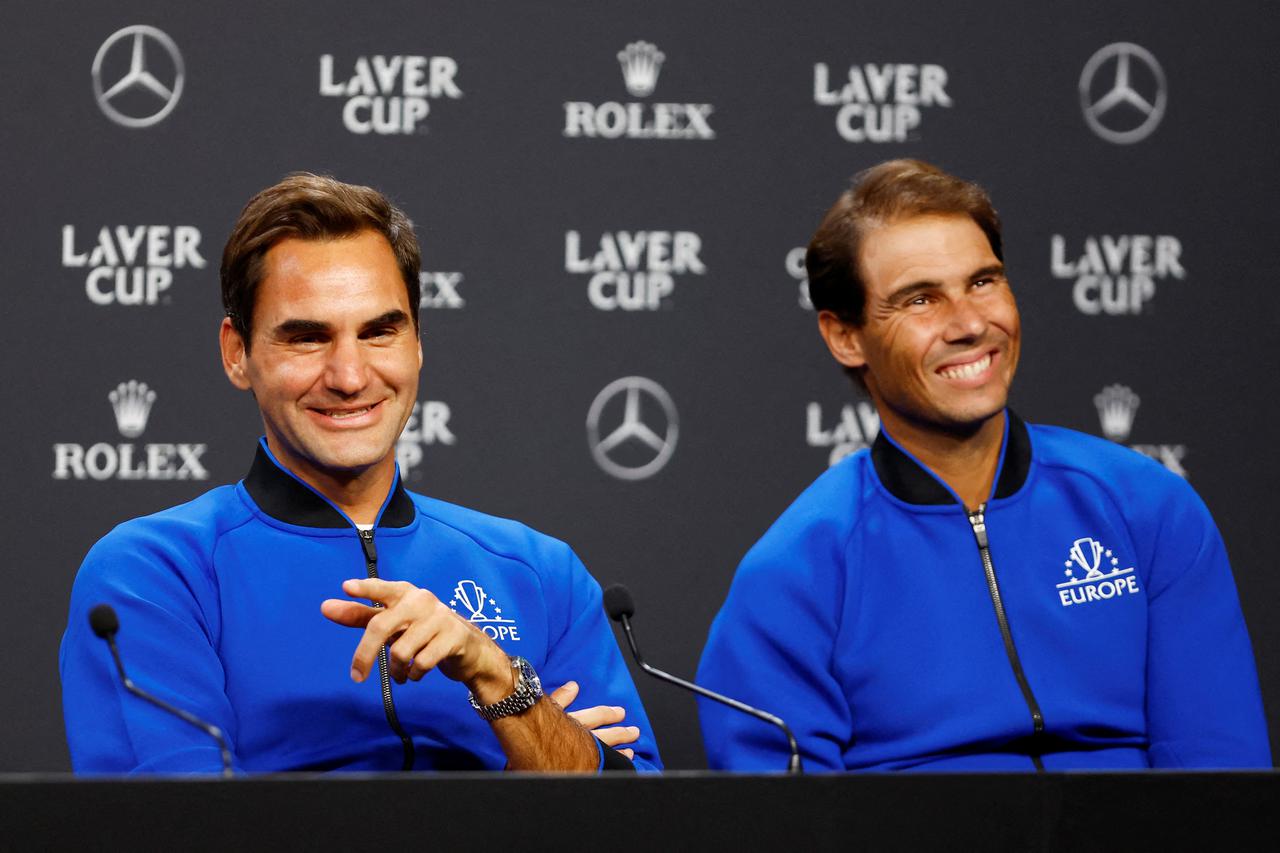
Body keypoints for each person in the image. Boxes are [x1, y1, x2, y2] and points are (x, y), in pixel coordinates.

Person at [60, 174, 660, 773]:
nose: (349, 375)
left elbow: (635, 824)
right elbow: (178, 826)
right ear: (236, 352)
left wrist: (498, 678)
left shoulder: (539, 571)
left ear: (417, 344)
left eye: (379, 332)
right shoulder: (156, 572)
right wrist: (537, 759)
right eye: (307, 337)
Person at [696, 159, 1270, 772]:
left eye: (983, 282)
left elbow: (1221, 783)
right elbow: (781, 828)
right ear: (845, 337)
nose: (970, 325)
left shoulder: (1147, 507)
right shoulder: (797, 569)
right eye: (920, 299)